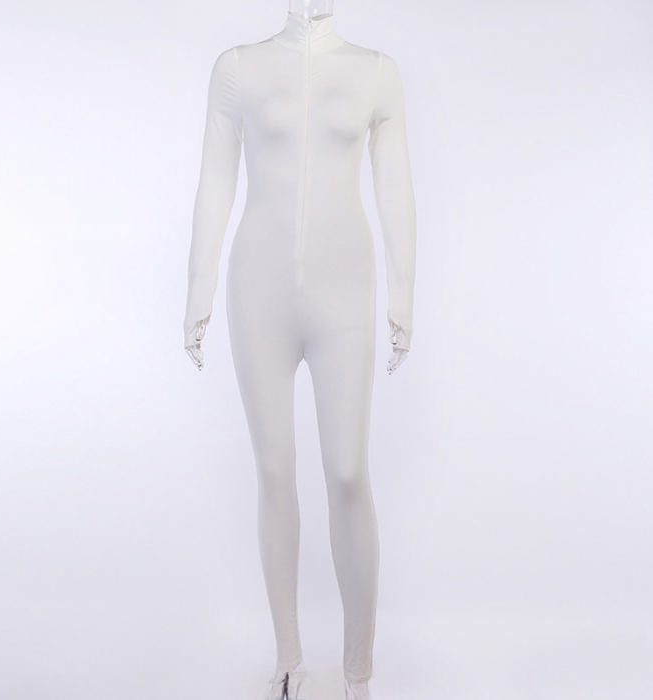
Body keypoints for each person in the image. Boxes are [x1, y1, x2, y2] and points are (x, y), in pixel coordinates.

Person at [183, 2, 417, 698]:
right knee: (275, 469)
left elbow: (395, 186)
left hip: (344, 295)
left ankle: (358, 671)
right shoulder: (238, 68)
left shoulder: (376, 72)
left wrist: (403, 292)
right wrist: (198, 288)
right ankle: (288, 659)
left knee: (346, 471)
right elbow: (216, 180)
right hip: (259, 292)